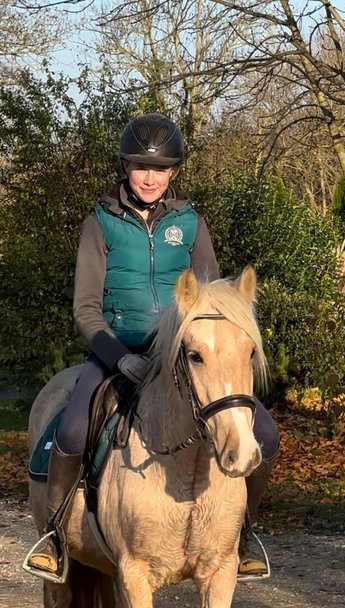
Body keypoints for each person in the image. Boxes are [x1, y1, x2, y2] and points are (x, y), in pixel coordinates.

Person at [27, 113, 279, 580]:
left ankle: (243, 536)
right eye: (141, 167)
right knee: (71, 430)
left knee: (264, 434)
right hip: (116, 352)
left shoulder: (190, 222)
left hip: (186, 356)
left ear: (173, 172)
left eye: (160, 169)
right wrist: (119, 357)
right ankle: (56, 538)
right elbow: (85, 308)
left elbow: (214, 296)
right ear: (126, 168)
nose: (149, 177)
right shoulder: (100, 223)